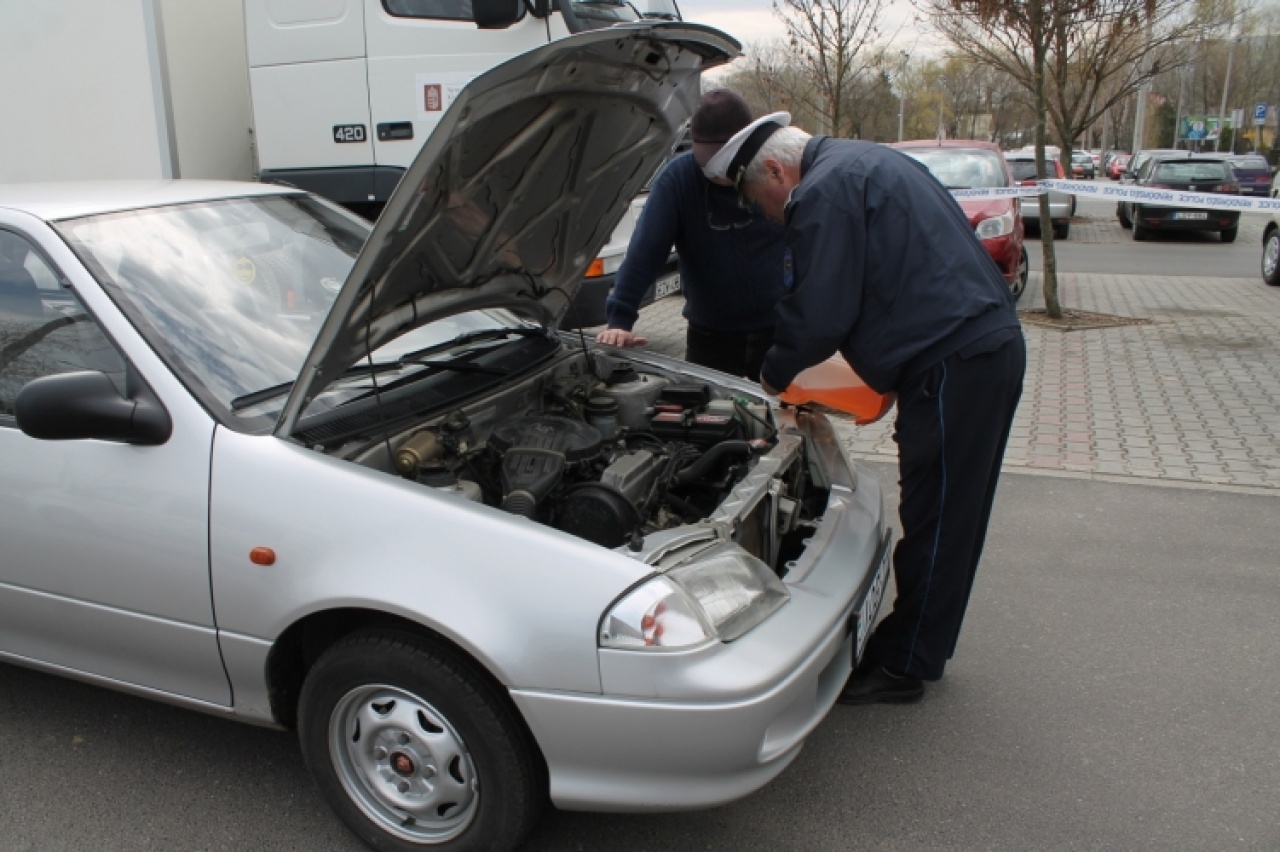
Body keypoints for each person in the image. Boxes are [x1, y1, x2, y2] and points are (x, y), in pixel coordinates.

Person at [705, 119, 1025, 705]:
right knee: (950, 513)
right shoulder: (865, 161)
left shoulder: (825, 191)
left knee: (940, 516)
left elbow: (821, 310)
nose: (766, 216)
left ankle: (905, 664)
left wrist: (772, 376)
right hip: (972, 352)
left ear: (776, 172)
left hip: (956, 361)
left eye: (758, 200)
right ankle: (917, 645)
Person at [595, 90, 786, 380]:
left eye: (724, 162)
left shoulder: (773, 173)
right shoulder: (678, 180)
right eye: (707, 163)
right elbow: (646, 250)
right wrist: (620, 319)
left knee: (787, 421)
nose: (716, 172)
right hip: (711, 339)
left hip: (779, 331)